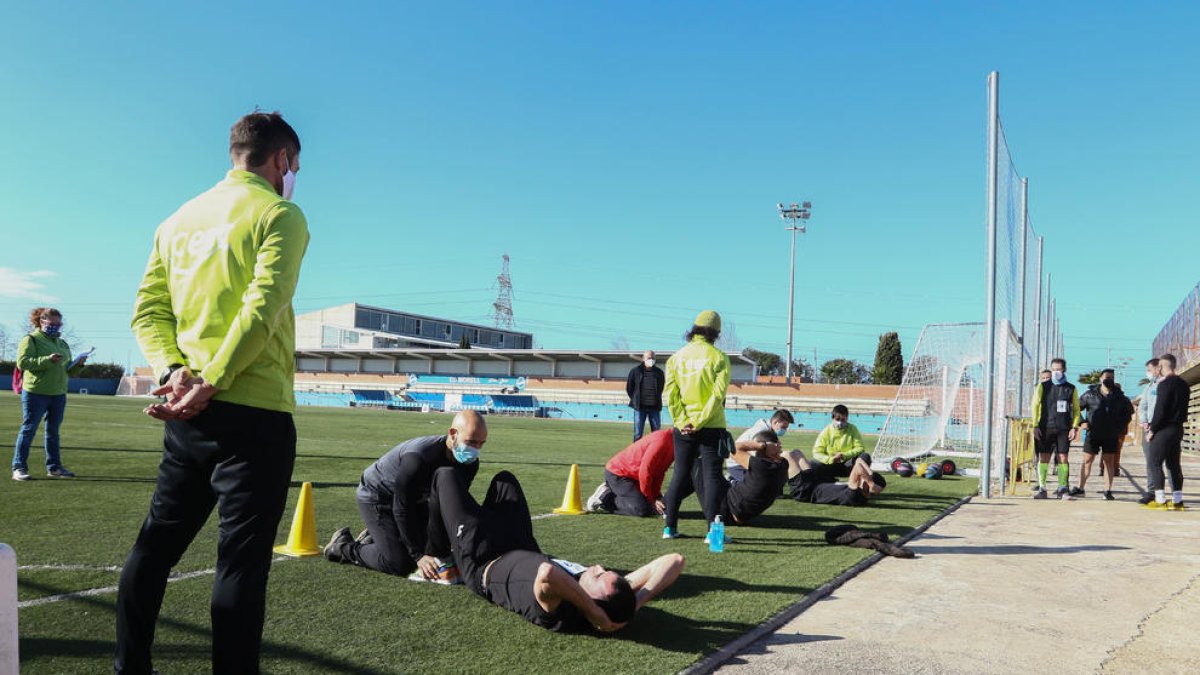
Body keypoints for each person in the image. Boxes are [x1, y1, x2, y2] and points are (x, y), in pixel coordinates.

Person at [117, 111, 309, 675]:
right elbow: (263, 307)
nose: (293, 174)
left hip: (186, 415)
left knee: (153, 551)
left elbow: (148, 311)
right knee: (241, 567)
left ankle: (130, 667)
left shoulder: (176, 221)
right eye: (294, 165)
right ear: (282, 160)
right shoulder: (279, 213)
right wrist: (213, 379)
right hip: (254, 411)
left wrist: (174, 369)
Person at [427, 466, 685, 632]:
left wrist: (594, 613)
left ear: (593, 603)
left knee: (446, 475)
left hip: (481, 558)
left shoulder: (562, 609)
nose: (597, 567)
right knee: (505, 481)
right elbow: (675, 560)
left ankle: (439, 556)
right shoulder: (610, 598)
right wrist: (632, 608)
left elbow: (547, 573)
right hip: (519, 543)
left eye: (597, 575)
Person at [323, 411, 486, 579]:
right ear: (453, 434)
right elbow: (401, 506)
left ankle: (375, 538)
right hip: (378, 496)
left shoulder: (469, 464)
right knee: (400, 563)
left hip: (416, 499)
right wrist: (418, 555)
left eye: (481, 443)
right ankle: (343, 546)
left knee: (428, 546)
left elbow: (451, 504)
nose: (475, 449)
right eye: (471, 441)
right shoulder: (418, 458)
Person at [661, 310, 732, 541]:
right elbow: (717, 396)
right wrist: (699, 421)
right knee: (711, 476)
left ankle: (669, 528)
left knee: (680, 474)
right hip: (711, 425)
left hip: (682, 428)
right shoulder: (719, 358)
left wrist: (682, 421)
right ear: (716, 333)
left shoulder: (676, 358)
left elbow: (671, 394)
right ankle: (713, 531)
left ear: (694, 329)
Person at [11, 307, 88, 481]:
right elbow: (23, 362)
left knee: (53, 432)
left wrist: (79, 364)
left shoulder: (62, 344)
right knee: (29, 429)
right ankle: (18, 467)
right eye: (52, 323)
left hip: (58, 394)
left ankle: (54, 467)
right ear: (42, 321)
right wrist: (48, 359)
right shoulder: (31, 340)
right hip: (36, 392)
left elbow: (69, 372)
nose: (56, 327)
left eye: (59, 324)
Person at [694, 430, 791, 524]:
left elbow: (733, 449)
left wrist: (762, 445)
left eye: (754, 445)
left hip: (726, 510)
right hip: (736, 504)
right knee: (711, 470)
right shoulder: (783, 464)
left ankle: (677, 504)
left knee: (696, 465)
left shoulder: (760, 466)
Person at [1073, 369, 1133, 500]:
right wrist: (1082, 423)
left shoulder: (1120, 397)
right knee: (1087, 461)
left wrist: (1119, 428)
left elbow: (1128, 414)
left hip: (1111, 435)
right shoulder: (1090, 394)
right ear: (1100, 379)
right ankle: (1080, 488)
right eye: (1106, 377)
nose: (1109, 380)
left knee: (1108, 462)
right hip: (1093, 434)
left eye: (1111, 378)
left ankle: (1107, 490)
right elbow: (1075, 408)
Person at [587, 429, 674, 517]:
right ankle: (605, 497)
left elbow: (659, 472)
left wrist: (656, 496)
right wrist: (651, 500)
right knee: (641, 509)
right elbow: (645, 472)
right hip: (618, 474)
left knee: (653, 507)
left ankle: (615, 492)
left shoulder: (674, 443)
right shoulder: (661, 441)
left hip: (634, 476)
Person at [1142, 353, 1189, 510]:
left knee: (1155, 462)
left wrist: (1152, 430)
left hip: (1164, 429)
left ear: (1161, 367)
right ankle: (1178, 500)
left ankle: (1160, 499)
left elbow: (1160, 411)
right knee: (1174, 465)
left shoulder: (1164, 384)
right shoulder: (1184, 384)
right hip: (1178, 428)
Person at [1030, 358, 1081, 500]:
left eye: (1058, 369)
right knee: (1043, 457)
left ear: (1064, 370)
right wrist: (1035, 425)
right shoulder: (1043, 386)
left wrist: (1074, 427)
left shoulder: (1071, 388)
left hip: (1064, 429)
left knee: (1063, 457)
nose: (1055, 372)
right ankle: (1042, 488)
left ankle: (1062, 489)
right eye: (1053, 369)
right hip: (1045, 427)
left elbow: (1076, 410)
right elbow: (1034, 406)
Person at [786, 452, 886, 506]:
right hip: (814, 483)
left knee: (787, 455)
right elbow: (859, 460)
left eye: (866, 480)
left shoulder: (856, 495)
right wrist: (870, 473)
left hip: (805, 492)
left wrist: (870, 481)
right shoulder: (859, 490)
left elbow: (858, 466)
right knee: (796, 453)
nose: (862, 478)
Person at [727, 409, 794, 483]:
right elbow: (755, 455)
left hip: (743, 461)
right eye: (783, 427)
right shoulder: (761, 432)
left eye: (786, 428)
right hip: (736, 464)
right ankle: (732, 481)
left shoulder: (768, 431)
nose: (784, 430)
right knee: (756, 485)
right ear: (775, 422)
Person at [812, 405, 870, 477]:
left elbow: (860, 448)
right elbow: (816, 453)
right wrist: (830, 459)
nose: (840, 422)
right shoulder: (826, 431)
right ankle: (826, 481)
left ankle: (856, 481)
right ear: (832, 418)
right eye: (837, 419)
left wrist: (844, 455)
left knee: (865, 456)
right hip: (830, 465)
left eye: (843, 420)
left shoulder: (853, 429)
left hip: (848, 465)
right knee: (812, 463)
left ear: (847, 418)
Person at [626, 350, 665, 441]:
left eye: (653, 358)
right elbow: (629, 387)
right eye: (649, 358)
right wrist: (635, 399)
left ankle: (655, 453)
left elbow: (661, 388)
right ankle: (637, 454)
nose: (651, 360)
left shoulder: (659, 372)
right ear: (643, 359)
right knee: (638, 434)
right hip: (640, 407)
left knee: (656, 434)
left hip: (654, 408)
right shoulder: (635, 371)